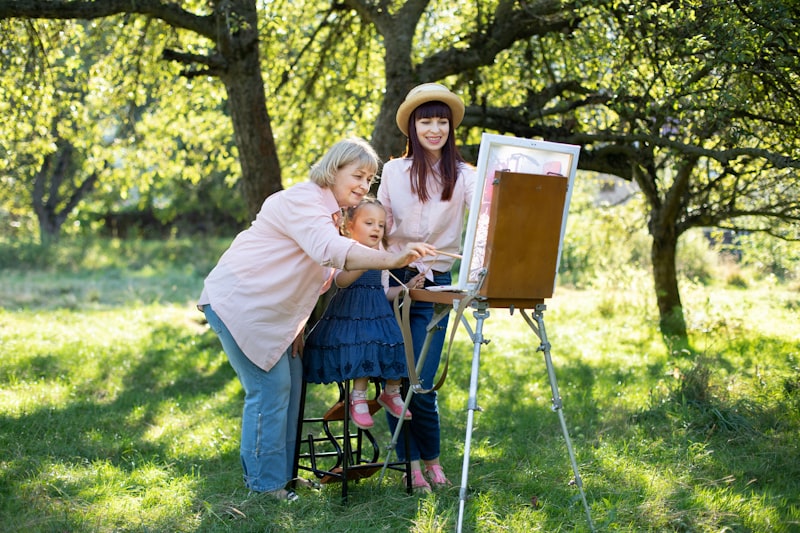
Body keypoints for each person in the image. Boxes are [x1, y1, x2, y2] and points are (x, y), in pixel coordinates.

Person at [197, 137, 436, 502]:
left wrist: (296, 325)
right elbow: (330, 253)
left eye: (369, 179)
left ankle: (284, 477)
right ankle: (265, 487)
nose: (363, 185)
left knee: (288, 390)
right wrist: (391, 259)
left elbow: (317, 280)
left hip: (274, 316)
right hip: (240, 304)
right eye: (357, 175)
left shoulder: (331, 215)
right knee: (269, 391)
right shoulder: (302, 201)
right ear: (333, 169)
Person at [378, 83, 477, 491]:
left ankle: (433, 461)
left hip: (437, 282)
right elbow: (380, 227)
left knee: (423, 381)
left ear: (451, 127)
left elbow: (489, 209)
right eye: (426, 121)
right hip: (396, 280)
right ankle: (409, 465)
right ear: (412, 127)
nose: (434, 129)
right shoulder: (393, 171)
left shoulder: (465, 174)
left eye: (441, 121)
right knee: (397, 382)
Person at [303, 197, 426, 430]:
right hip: (351, 313)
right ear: (350, 226)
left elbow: (384, 290)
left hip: (378, 312)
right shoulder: (345, 249)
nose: (376, 229)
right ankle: (357, 398)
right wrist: (365, 260)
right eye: (369, 223)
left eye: (380, 225)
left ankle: (391, 392)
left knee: (396, 342)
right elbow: (341, 281)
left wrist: (406, 288)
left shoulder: (383, 253)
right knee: (364, 344)